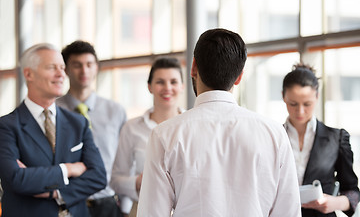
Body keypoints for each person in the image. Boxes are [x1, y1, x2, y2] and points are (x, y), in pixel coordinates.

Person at [137, 28, 301, 216]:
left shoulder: (165, 135)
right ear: (239, 76)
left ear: (193, 68)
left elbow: (152, 213)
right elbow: (288, 212)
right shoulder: (274, 133)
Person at [0, 43, 107, 217]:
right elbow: (16, 179)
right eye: (52, 68)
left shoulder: (77, 123)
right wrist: (68, 170)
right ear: (28, 74)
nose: (61, 75)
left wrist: (55, 193)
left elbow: (98, 177)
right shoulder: (6, 126)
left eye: (63, 68)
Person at [56, 40, 127, 217]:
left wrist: (125, 207)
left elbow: (126, 161)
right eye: (77, 65)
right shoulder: (53, 111)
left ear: (96, 67)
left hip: (108, 204)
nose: (84, 71)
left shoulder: (115, 111)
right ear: (65, 69)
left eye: (89, 64)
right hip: (66, 203)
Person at [282, 63, 359, 217]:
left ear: (317, 96)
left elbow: (353, 193)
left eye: (307, 104)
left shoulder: (336, 139)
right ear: (283, 96)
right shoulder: (273, 136)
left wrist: (334, 203)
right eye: (293, 104)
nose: (300, 111)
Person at [110, 57, 184, 216]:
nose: (167, 88)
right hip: (143, 209)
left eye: (173, 82)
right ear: (149, 87)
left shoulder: (191, 126)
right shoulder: (131, 128)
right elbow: (115, 180)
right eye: (160, 82)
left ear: (182, 86)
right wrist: (137, 182)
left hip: (184, 210)